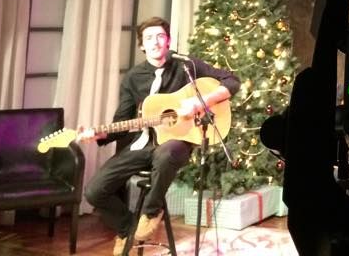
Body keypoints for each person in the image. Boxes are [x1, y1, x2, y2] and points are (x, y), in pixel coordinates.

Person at [79, 17, 240, 256]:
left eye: (160, 37)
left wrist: (200, 103)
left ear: (168, 41)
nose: (155, 42)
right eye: (148, 38)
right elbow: (122, 121)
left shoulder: (187, 65)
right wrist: (101, 134)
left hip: (176, 143)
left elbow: (232, 81)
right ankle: (128, 229)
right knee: (94, 191)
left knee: (168, 152)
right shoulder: (133, 77)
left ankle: (151, 212)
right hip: (143, 144)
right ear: (142, 45)